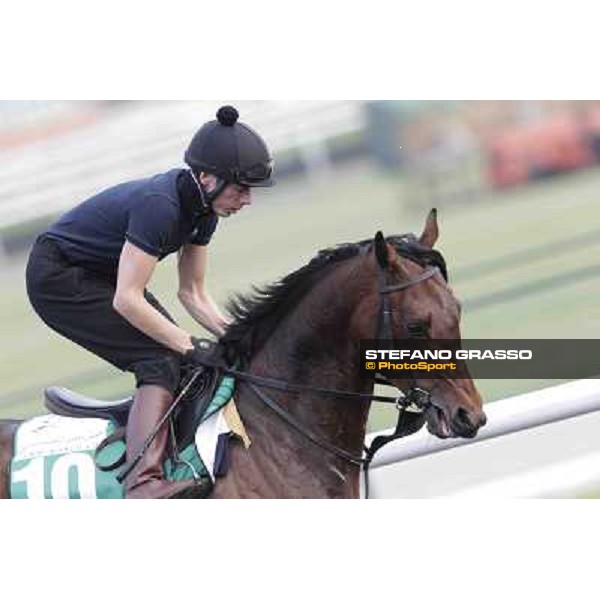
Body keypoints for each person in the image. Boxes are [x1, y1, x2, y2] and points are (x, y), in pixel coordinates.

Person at [25, 105, 275, 499]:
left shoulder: (204, 212)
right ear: (207, 177)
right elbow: (127, 299)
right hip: (57, 277)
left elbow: (192, 293)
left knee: (187, 357)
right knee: (161, 359)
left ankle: (163, 441)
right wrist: (192, 344)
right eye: (241, 188)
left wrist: (239, 338)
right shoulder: (160, 205)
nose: (247, 200)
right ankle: (143, 481)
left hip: (100, 274)